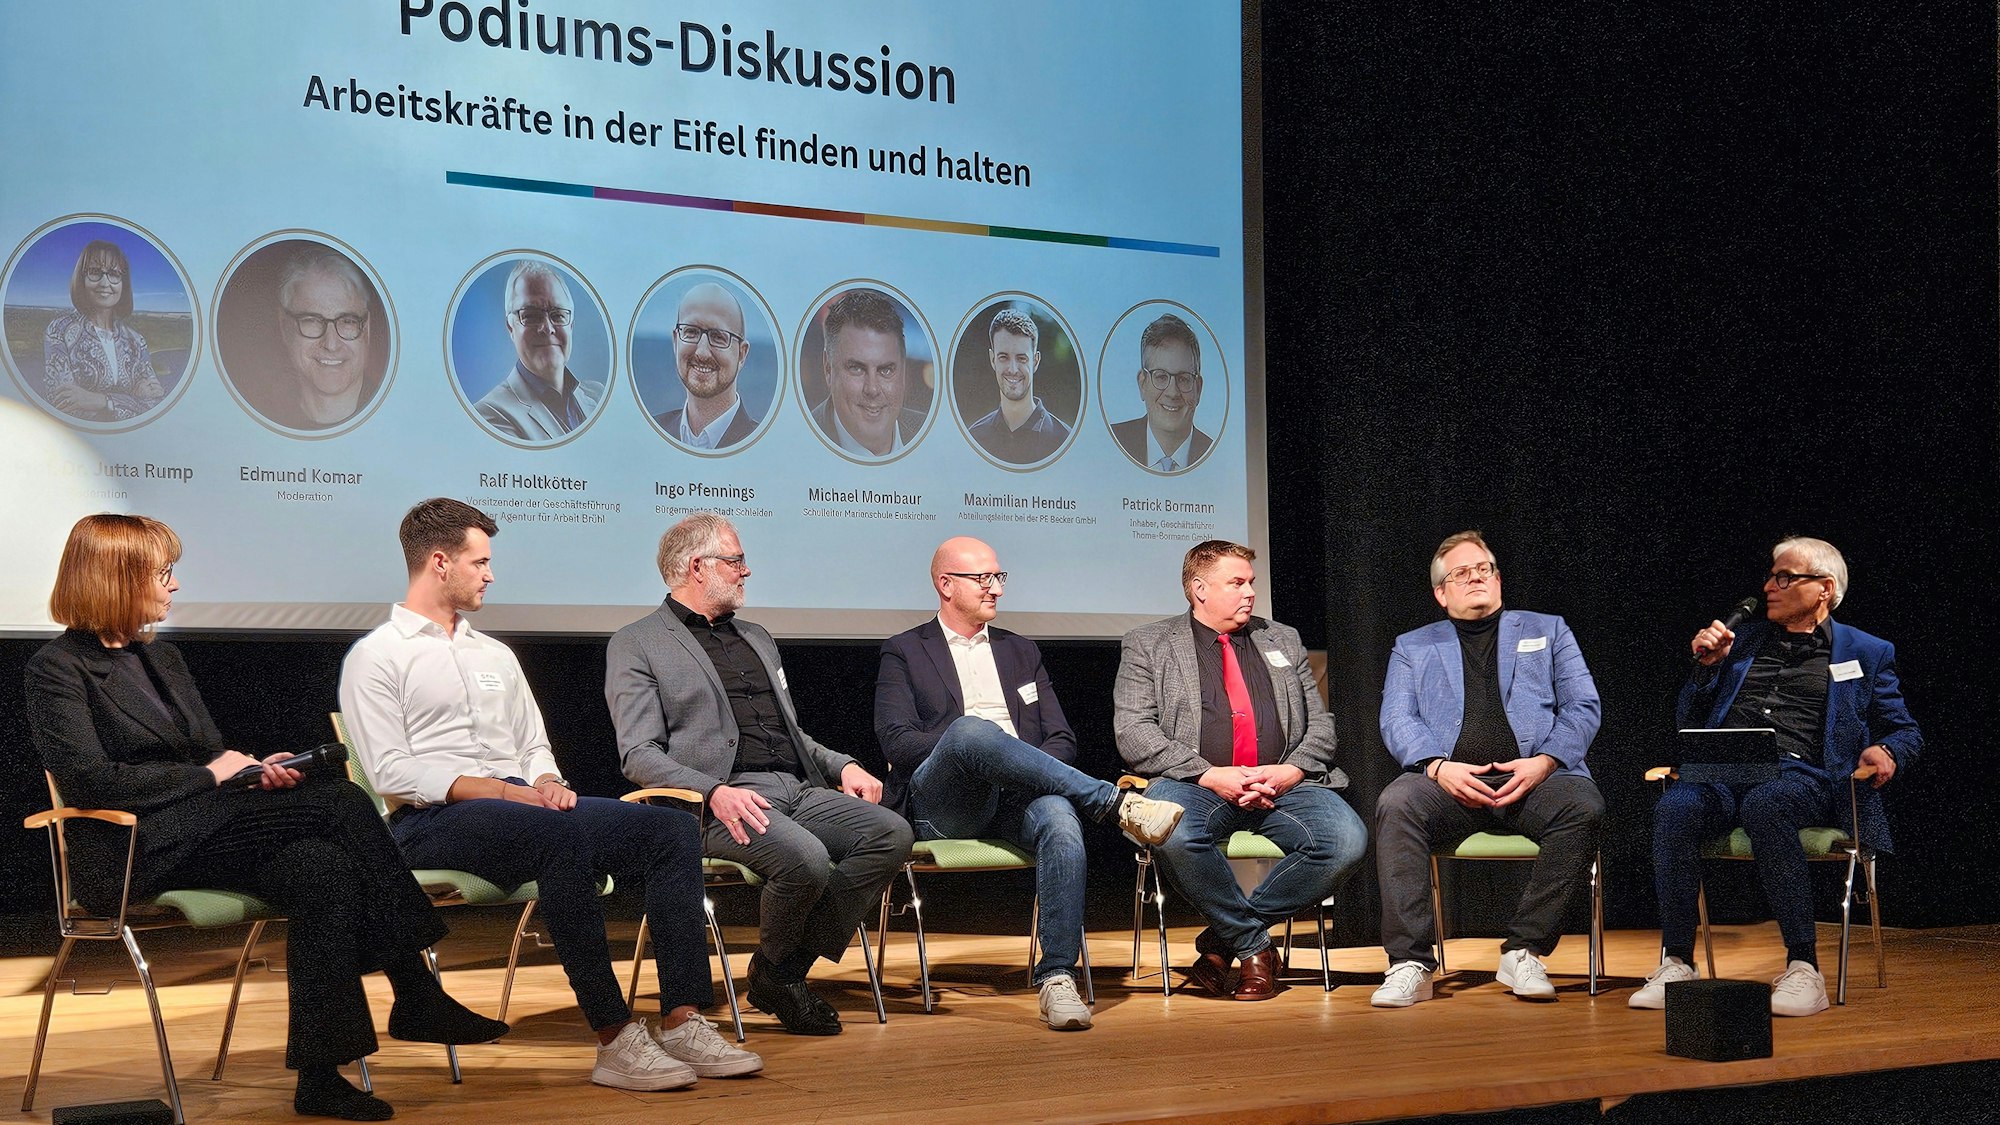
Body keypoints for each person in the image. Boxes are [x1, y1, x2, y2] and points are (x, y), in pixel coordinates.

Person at [24, 514, 508, 1122]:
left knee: (324, 871)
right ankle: (414, 990)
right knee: (342, 801)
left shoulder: (162, 660)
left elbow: (210, 752)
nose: (173, 587)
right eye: (163, 573)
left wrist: (251, 768)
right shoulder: (57, 668)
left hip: (209, 826)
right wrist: (212, 776)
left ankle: (319, 1077)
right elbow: (91, 780)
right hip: (138, 846)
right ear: (118, 578)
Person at [339, 499, 761, 1090]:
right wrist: (510, 796)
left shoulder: (496, 655)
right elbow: (390, 773)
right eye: (479, 562)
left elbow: (533, 745)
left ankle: (684, 1017)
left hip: (524, 806)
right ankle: (614, 1037)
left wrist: (546, 783)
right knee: (554, 833)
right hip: (430, 821)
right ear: (439, 562)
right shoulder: (377, 656)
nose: (490, 574)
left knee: (666, 829)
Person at [607, 512, 913, 1035]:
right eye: (737, 560)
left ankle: (779, 970)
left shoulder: (756, 636)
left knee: (891, 832)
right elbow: (638, 753)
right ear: (697, 567)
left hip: (794, 788)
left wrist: (844, 765)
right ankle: (785, 978)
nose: (746, 571)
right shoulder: (637, 642)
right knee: (808, 860)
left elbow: (793, 737)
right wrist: (713, 791)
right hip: (715, 803)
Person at [874, 536, 1186, 1030]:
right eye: (983, 578)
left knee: (1061, 819)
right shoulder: (906, 651)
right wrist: (976, 748)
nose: (995, 588)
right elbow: (897, 742)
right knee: (972, 731)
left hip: (1016, 798)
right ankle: (1111, 802)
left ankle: (1057, 977)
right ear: (945, 584)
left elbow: (1060, 737)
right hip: (944, 802)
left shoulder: (1020, 650)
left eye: (999, 577)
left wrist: (1020, 767)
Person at [1633, 536, 1921, 1017]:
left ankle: (1804, 968)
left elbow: (1904, 729)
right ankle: (1677, 961)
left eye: (1784, 578)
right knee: (1675, 806)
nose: (1769, 586)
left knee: (1767, 803)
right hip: (1724, 770)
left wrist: (1887, 749)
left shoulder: (1866, 652)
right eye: (1770, 575)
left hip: (1803, 775)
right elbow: (1688, 716)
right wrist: (1705, 671)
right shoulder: (1739, 644)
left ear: (1823, 588)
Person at [1112, 539, 1367, 1000]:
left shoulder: (1281, 638)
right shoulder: (1149, 644)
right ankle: (1254, 946)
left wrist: (1290, 771)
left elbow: (1321, 725)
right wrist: (1210, 774)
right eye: (1237, 582)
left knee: (1344, 842)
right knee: (1173, 831)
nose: (1250, 592)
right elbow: (1133, 732)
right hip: (1197, 785)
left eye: (1251, 582)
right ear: (1198, 589)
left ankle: (1222, 942)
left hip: (1284, 784)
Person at [1370, 531, 1605, 1007]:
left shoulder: (1548, 629)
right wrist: (1437, 767)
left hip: (1537, 779)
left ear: (1498, 580)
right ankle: (1410, 963)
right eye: (1462, 573)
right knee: (1397, 803)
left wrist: (1544, 762)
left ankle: (1524, 949)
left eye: (1485, 569)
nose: (1476, 577)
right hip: (1450, 784)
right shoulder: (1412, 646)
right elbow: (1396, 717)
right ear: (1441, 593)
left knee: (1583, 806)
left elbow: (1583, 705)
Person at [473, 261, 603, 441]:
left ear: (571, 325)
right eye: (531, 316)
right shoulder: (489, 416)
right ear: (511, 327)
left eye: (558, 315)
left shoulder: (597, 395)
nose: (547, 328)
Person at [40, 239, 164, 422]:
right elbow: (64, 404)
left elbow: (155, 404)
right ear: (81, 279)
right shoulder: (59, 331)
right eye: (95, 272)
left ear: (123, 283)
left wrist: (101, 401)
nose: (105, 283)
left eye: (114, 274)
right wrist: (132, 399)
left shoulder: (137, 341)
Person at [264, 246, 379, 430]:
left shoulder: (403, 422)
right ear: (285, 327)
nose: (331, 345)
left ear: (367, 328)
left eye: (347, 321)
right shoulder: (257, 418)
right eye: (312, 320)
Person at [807, 288, 927, 459]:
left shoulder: (935, 438)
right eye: (856, 368)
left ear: (903, 371)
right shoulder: (797, 444)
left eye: (886, 370)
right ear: (828, 368)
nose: (872, 389)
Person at [653, 282, 760, 450]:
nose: (702, 353)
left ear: (741, 354)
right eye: (691, 332)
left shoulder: (764, 445)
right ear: (676, 342)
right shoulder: (650, 434)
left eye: (718, 337)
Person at [1110, 313, 1212, 474]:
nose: (1173, 392)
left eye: (1184, 379)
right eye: (1161, 377)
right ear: (1142, 384)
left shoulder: (1219, 456)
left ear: (1198, 388)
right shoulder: (1110, 442)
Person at [965, 307, 1070, 464]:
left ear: (1035, 361)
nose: (1013, 369)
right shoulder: (974, 438)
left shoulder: (1065, 440)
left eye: (1021, 358)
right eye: (1003, 357)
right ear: (992, 359)